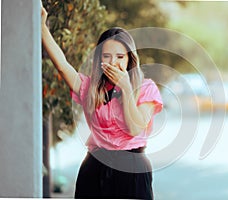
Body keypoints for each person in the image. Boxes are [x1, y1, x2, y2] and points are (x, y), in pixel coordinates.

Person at [41, 6, 163, 200]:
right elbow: (63, 67)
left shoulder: (146, 88)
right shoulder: (90, 88)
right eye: (106, 56)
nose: (113, 62)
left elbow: (134, 128)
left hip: (133, 169)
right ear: (99, 59)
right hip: (95, 167)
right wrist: (42, 27)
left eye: (120, 57)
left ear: (130, 59)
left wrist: (126, 88)